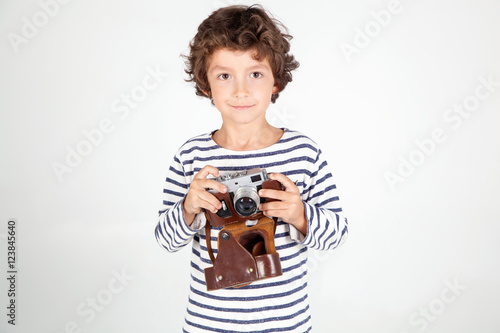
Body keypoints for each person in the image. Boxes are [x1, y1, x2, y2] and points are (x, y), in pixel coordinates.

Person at [155, 4, 348, 332]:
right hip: (209, 324)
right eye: (224, 75)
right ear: (206, 85)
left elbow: (337, 235)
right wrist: (188, 209)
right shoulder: (192, 156)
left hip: (285, 324)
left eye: (255, 73)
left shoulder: (303, 153)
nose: (241, 90)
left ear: (276, 81)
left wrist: (300, 214)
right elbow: (165, 239)